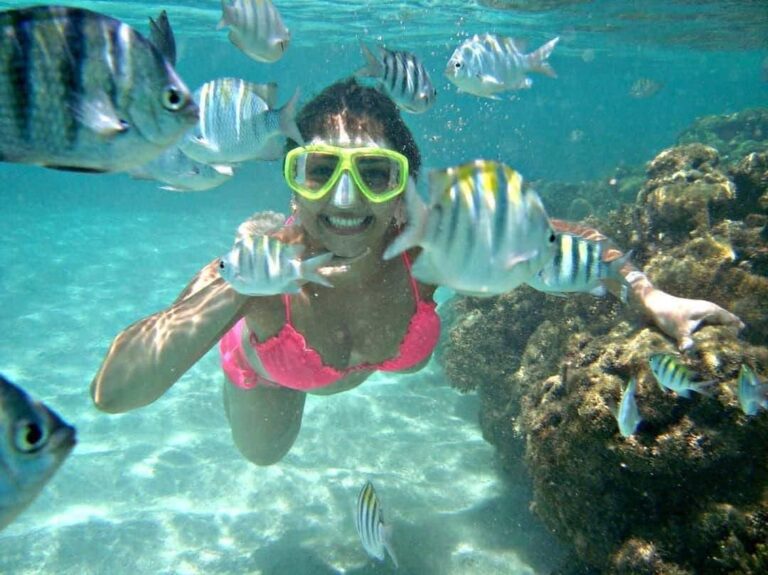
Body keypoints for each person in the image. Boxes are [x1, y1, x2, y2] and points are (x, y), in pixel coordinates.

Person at [90, 78, 743, 466]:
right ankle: (239, 363)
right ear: (294, 181)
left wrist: (653, 297)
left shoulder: (428, 255)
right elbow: (114, 391)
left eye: (375, 174)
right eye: (320, 171)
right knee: (265, 454)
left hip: (351, 347)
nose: (345, 201)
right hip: (270, 372)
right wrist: (235, 287)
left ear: (404, 192)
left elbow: (572, 240)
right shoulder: (260, 269)